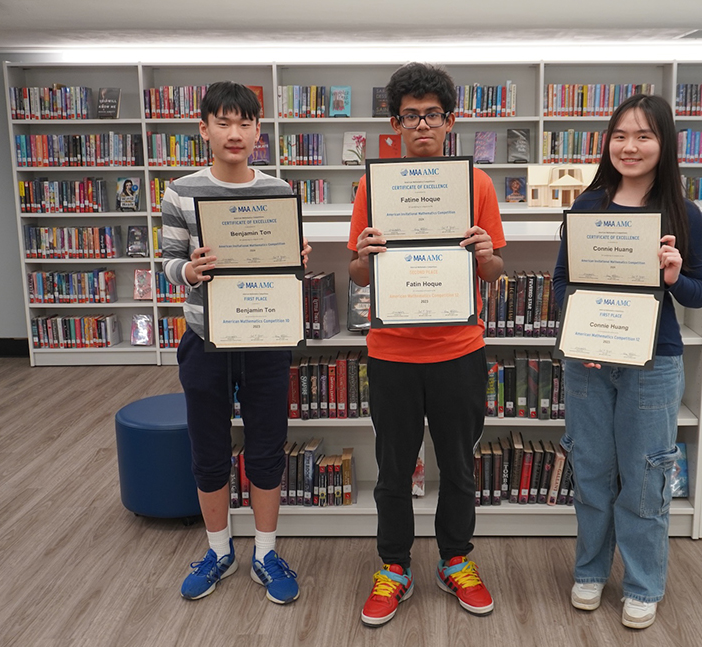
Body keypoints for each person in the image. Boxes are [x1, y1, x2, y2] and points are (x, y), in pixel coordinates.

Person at [348, 62, 506, 627]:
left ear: (450, 121)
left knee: (459, 466)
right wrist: (363, 257)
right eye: (410, 116)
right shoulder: (373, 186)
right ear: (395, 124)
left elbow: (493, 271)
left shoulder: (477, 185)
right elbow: (358, 275)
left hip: (458, 348)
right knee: (394, 469)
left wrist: (485, 253)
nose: (421, 125)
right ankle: (394, 568)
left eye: (431, 115)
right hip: (392, 351)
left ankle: (455, 559)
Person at [552, 94, 702, 630]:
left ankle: (643, 584)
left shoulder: (683, 214)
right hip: (589, 362)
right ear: (608, 142)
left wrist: (674, 277)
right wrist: (587, 331)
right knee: (592, 470)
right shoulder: (587, 207)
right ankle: (591, 572)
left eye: (644, 136)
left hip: (654, 362)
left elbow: (700, 293)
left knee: (646, 477)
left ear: (663, 144)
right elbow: (562, 282)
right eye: (620, 135)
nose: (630, 146)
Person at [162, 81, 310, 605]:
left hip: (265, 338)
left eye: (245, 123)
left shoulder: (278, 191)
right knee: (208, 451)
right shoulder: (180, 192)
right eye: (223, 122)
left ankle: (265, 553)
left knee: (267, 447)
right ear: (203, 128)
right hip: (205, 340)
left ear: (258, 130)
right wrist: (189, 270)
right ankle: (218, 550)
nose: (234, 133)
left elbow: (284, 266)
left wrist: (295, 259)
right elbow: (167, 263)